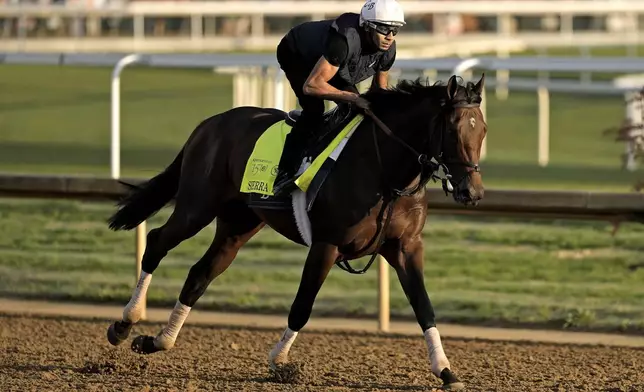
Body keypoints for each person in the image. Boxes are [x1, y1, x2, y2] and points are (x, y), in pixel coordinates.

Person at [272, 0, 406, 196]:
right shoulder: (343, 42)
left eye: (395, 31)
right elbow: (311, 86)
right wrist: (352, 98)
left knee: (359, 110)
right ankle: (284, 173)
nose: (390, 37)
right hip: (297, 53)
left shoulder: (388, 50)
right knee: (315, 112)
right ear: (368, 27)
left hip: (334, 62)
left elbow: (380, 90)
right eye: (384, 29)